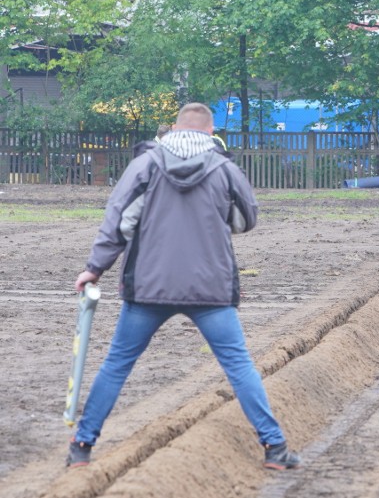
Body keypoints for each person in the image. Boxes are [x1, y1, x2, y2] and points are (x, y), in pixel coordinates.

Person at [67, 102, 300, 471]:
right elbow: (246, 220)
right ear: (210, 133)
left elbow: (118, 223)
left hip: (147, 288)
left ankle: (81, 446)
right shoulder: (224, 169)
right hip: (210, 290)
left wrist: (94, 269)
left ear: (173, 129)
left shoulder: (145, 164)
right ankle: (274, 448)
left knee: (116, 365)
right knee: (239, 367)